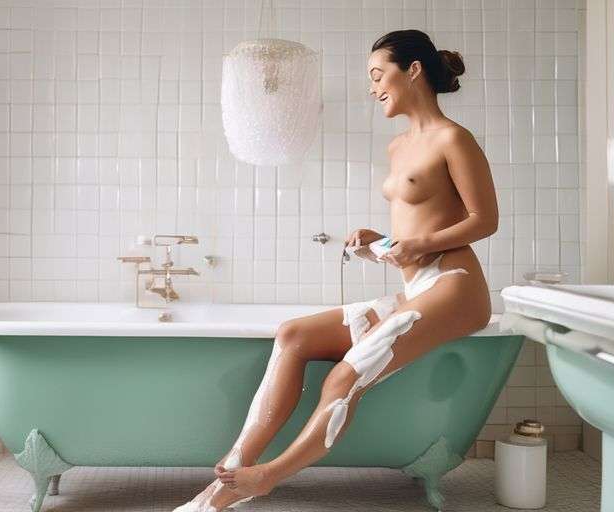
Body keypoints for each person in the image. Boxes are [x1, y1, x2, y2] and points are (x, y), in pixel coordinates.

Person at [174, 29, 498, 511]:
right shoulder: (397, 148)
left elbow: (484, 220)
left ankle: (266, 477)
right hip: (416, 288)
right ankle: (228, 475)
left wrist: (418, 243)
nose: (372, 88)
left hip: (456, 287)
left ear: (413, 69)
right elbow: (416, 233)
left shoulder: (454, 138)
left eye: (377, 74)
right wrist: (379, 243)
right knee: (292, 335)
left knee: (345, 378)